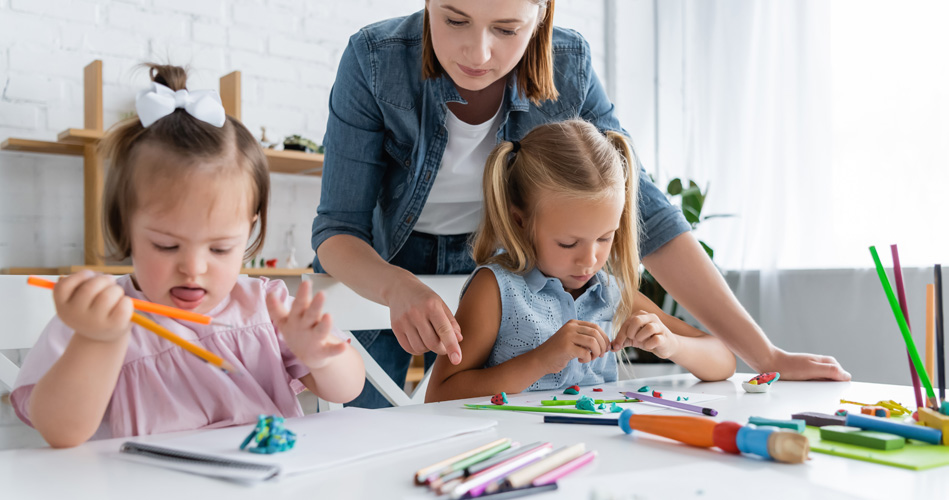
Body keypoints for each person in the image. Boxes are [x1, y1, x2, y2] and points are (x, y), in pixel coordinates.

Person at [312, 0, 849, 408]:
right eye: (454, 20)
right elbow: (338, 229)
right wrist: (397, 286)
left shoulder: (568, 66)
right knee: (361, 425)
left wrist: (767, 356)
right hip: (382, 264)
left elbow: (651, 215)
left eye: (506, 29)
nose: (478, 54)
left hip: (510, 258)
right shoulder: (375, 60)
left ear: (542, 12)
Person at [10, 64, 365, 448]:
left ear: (251, 227)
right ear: (124, 227)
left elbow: (348, 388)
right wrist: (98, 341)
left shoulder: (266, 307)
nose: (193, 268)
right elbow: (59, 432)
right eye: (166, 245)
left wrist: (321, 356)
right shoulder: (97, 314)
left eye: (220, 248)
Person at [425, 120, 735, 400]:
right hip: (515, 452)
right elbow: (440, 395)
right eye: (568, 243)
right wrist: (541, 359)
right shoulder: (496, 290)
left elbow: (723, 359)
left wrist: (672, 344)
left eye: (604, 238)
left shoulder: (609, 293)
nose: (589, 261)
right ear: (520, 221)